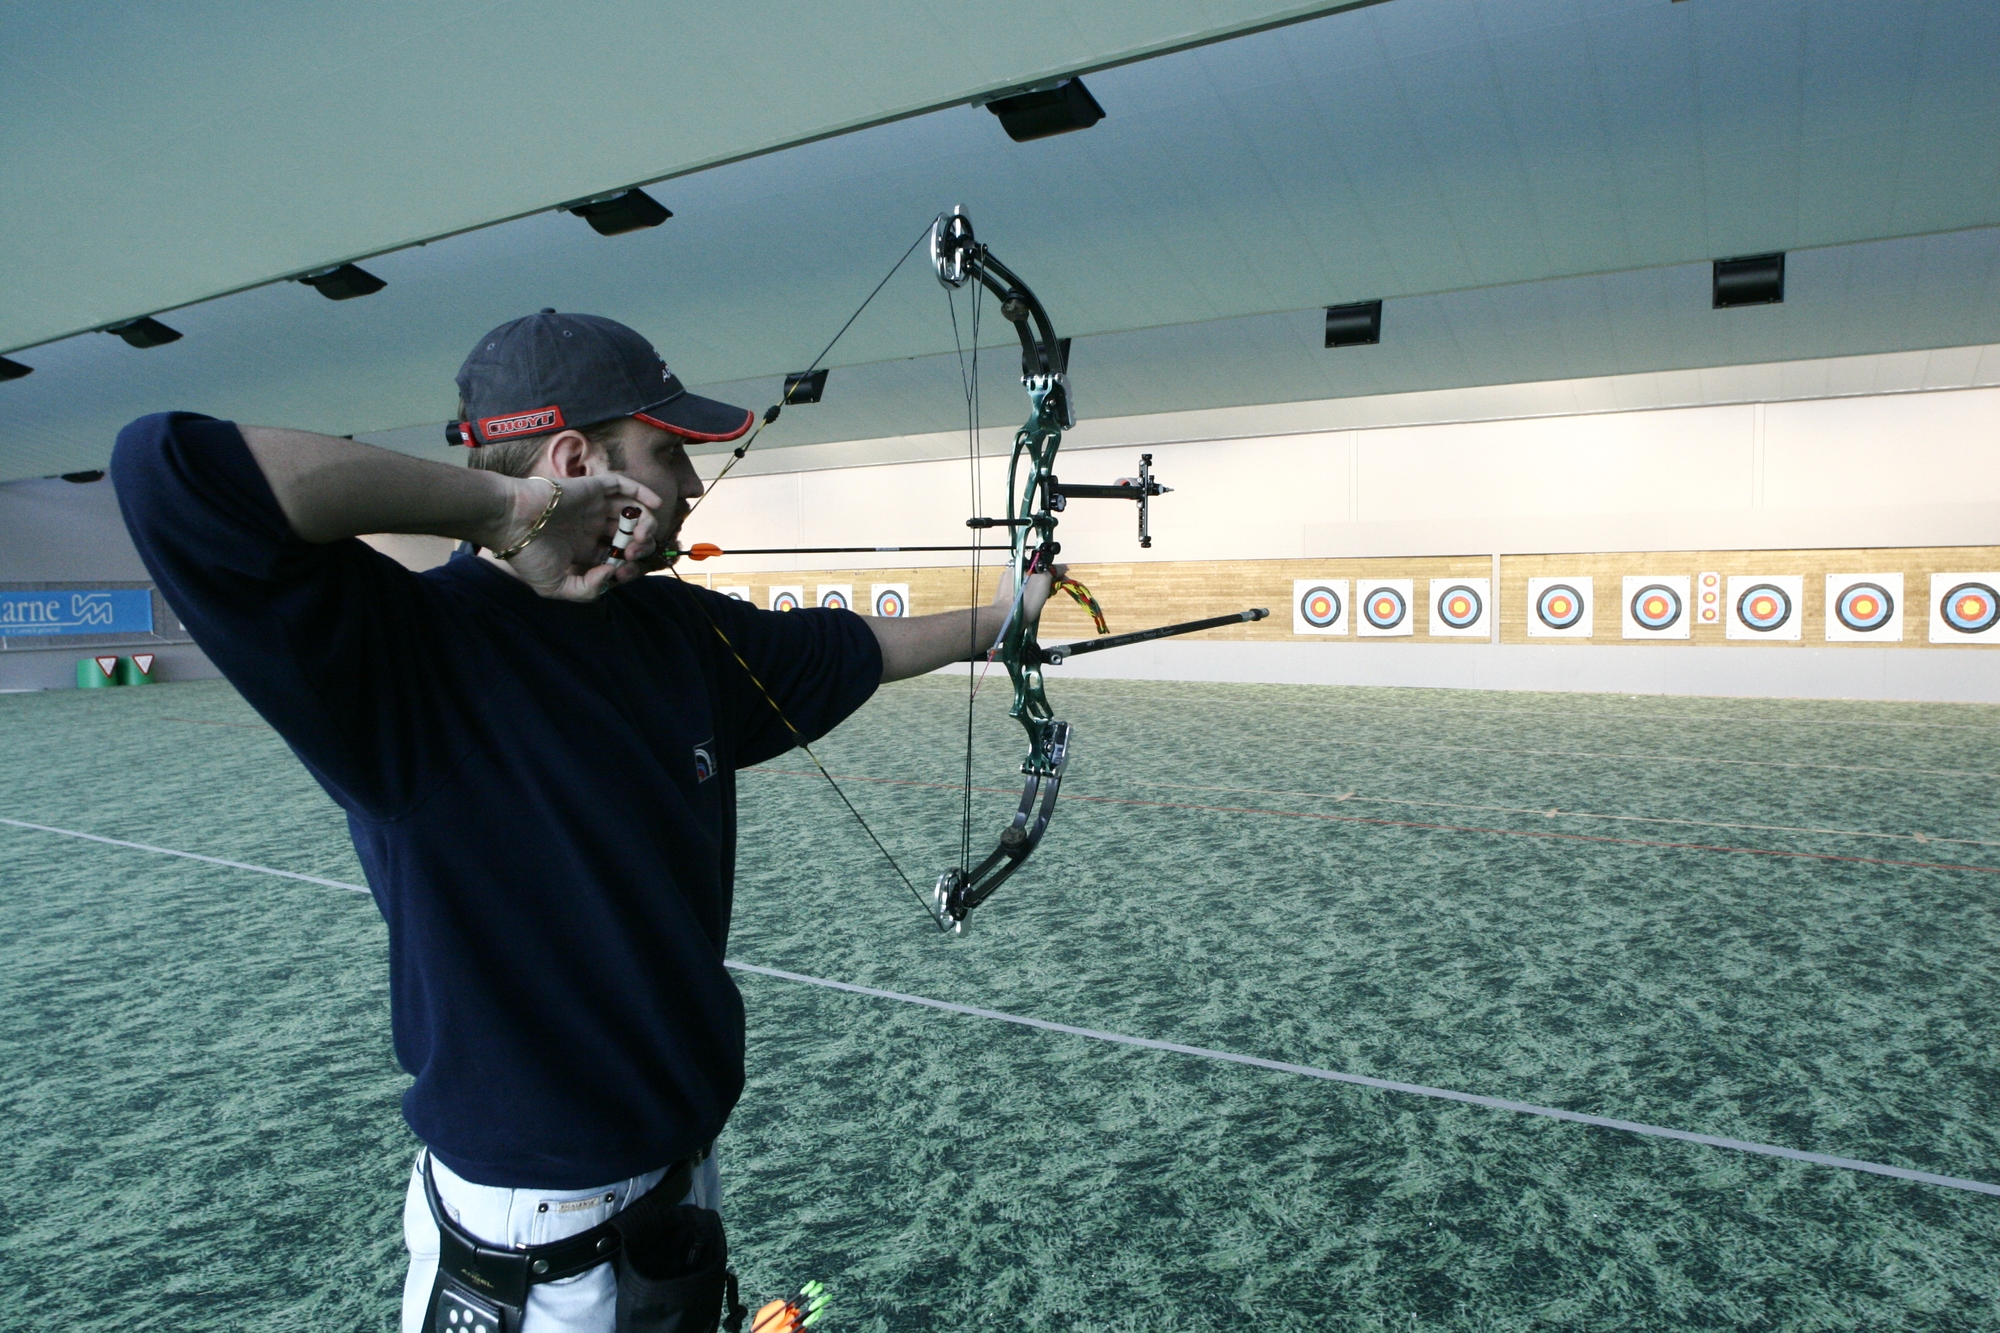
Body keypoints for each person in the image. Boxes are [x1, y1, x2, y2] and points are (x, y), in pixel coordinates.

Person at [110, 310, 1059, 1333]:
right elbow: (166, 467)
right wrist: (507, 506)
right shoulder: (401, 658)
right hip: (531, 1245)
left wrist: (1004, 615)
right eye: (667, 452)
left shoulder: (675, 629)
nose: (692, 484)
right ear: (572, 458)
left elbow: (848, 646)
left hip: (671, 1194)